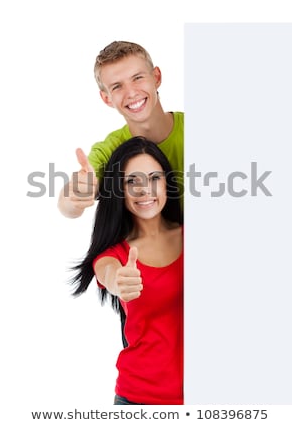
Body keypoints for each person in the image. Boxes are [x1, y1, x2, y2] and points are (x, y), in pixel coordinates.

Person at [71, 137, 183, 405]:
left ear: (167, 181)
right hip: (139, 401)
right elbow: (107, 273)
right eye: (132, 181)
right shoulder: (115, 255)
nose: (145, 189)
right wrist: (118, 282)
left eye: (154, 177)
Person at [57, 40, 184, 218]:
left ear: (156, 77)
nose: (131, 93)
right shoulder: (109, 151)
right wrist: (75, 196)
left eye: (138, 78)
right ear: (106, 98)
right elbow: (67, 206)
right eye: (117, 86)